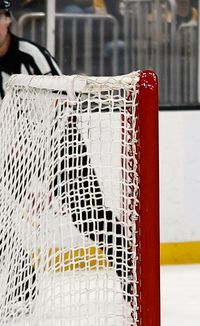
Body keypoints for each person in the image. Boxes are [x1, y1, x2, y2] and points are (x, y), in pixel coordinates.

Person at [0, 0, 131, 298]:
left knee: (90, 216)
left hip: (60, 144)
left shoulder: (31, 56)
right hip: (11, 153)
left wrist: (38, 144)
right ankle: (22, 284)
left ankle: (132, 275)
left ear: (8, 20)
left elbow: (62, 99)